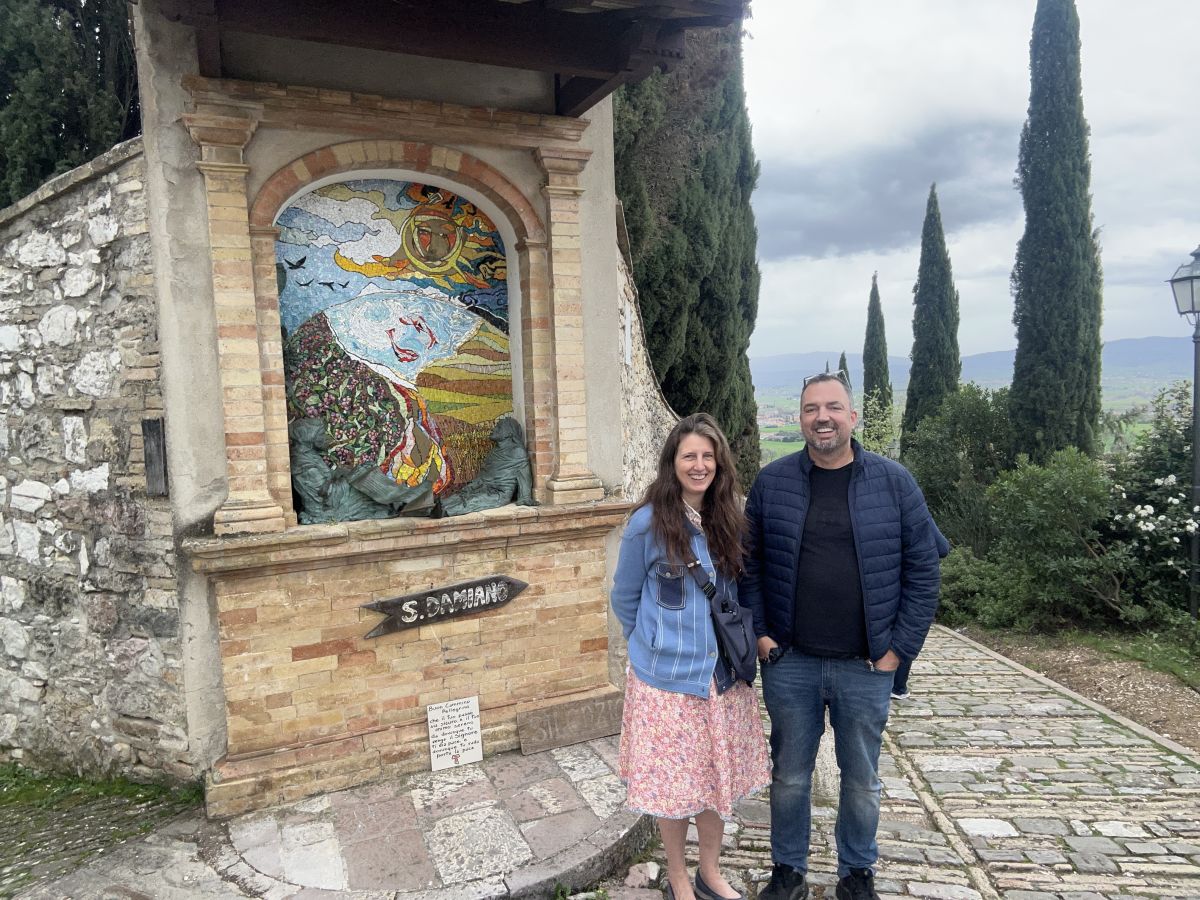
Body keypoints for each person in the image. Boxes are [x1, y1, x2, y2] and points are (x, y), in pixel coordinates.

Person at [741, 373, 942, 900]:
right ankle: (788, 871)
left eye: (833, 407)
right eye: (811, 408)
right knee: (788, 777)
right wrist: (761, 634)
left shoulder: (894, 482)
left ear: (853, 417)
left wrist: (899, 651)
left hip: (865, 663)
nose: (822, 417)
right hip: (791, 661)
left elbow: (924, 572)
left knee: (861, 781)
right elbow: (749, 566)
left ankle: (857, 873)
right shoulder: (773, 481)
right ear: (801, 416)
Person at [611, 413, 771, 900]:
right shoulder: (648, 525)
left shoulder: (731, 520)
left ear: (719, 463)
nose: (699, 465)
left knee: (712, 780)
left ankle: (710, 871)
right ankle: (679, 876)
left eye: (707, 456)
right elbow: (625, 598)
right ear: (672, 463)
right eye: (689, 456)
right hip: (666, 681)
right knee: (671, 786)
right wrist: (653, 647)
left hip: (721, 678)